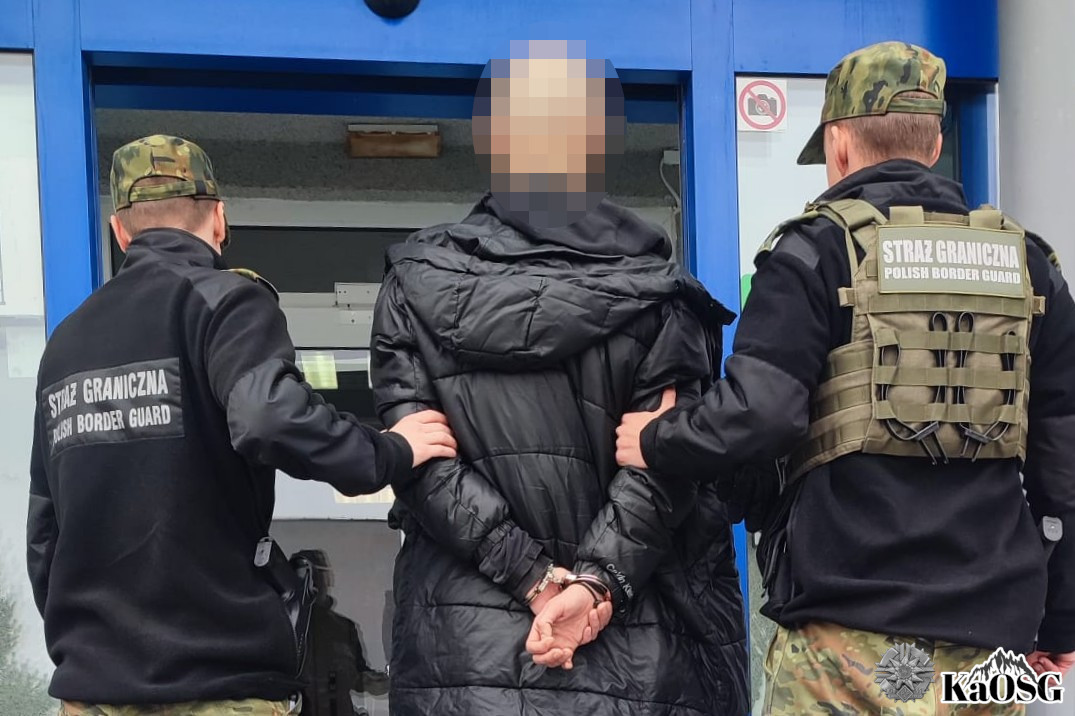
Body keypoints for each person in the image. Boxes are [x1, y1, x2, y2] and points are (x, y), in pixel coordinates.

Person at [615, 42, 1075, 714]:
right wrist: (1060, 618)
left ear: (838, 144)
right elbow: (1062, 465)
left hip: (841, 639)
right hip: (987, 644)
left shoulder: (813, 250)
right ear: (934, 142)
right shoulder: (1027, 266)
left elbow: (761, 413)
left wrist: (658, 439)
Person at [372, 40, 748, 716]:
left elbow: (420, 461)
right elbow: (664, 468)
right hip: (640, 657)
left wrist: (533, 578)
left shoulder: (413, 285)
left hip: (462, 656)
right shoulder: (660, 295)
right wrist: (593, 585)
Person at [27, 135, 456, 716]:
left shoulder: (65, 344)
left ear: (119, 231)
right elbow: (268, 416)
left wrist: (88, 650)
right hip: (216, 684)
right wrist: (388, 453)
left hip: (93, 694)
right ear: (220, 219)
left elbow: (44, 532)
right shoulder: (226, 303)